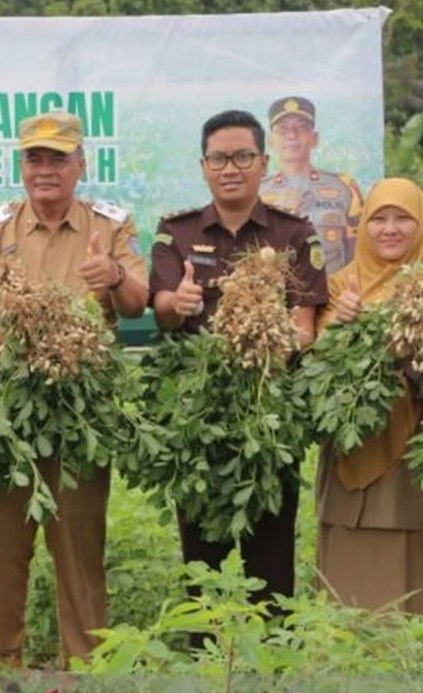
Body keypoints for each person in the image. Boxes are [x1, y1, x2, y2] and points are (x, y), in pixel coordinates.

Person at [0, 111, 149, 670]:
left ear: (80, 164)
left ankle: (89, 678)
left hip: (79, 415)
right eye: (34, 158)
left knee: (80, 554)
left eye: (58, 158)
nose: (45, 170)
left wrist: (111, 275)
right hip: (5, 419)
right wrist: (45, 344)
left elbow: (136, 302)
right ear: (22, 165)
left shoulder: (109, 225)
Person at [150, 109, 328, 603]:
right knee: (201, 555)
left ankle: (270, 673)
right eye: (219, 158)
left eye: (243, 157)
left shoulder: (294, 234)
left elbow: (305, 330)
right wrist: (177, 304)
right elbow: (164, 309)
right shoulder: (175, 232)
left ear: (263, 162)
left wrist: (264, 338)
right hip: (198, 415)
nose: (231, 168)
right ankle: (204, 663)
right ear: (203, 165)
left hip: (267, 416)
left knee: (270, 558)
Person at [316, 177, 423, 614]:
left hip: (413, 452)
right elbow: (313, 362)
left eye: (404, 219)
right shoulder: (343, 286)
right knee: (351, 572)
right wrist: (339, 325)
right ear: (363, 227)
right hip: (354, 449)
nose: (390, 229)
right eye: (379, 219)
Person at [260, 96, 363, 275]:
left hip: (333, 298)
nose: (291, 135)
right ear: (271, 141)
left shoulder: (344, 188)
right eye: (282, 129)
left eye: (301, 127)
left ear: (314, 138)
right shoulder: (256, 192)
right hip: (276, 297)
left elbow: (359, 254)